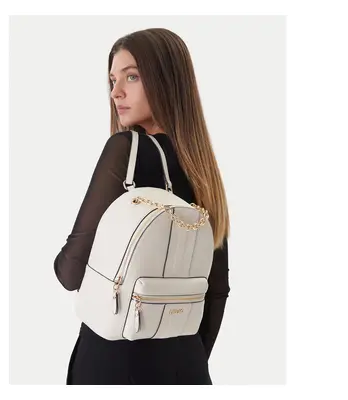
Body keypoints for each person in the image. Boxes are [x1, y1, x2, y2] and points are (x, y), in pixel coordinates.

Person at [54, 27, 231, 385]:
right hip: (187, 368)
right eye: (112, 80)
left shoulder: (125, 150)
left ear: (167, 80)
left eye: (131, 76)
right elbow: (216, 291)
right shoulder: (203, 170)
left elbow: (68, 273)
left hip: (112, 364)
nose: (116, 92)